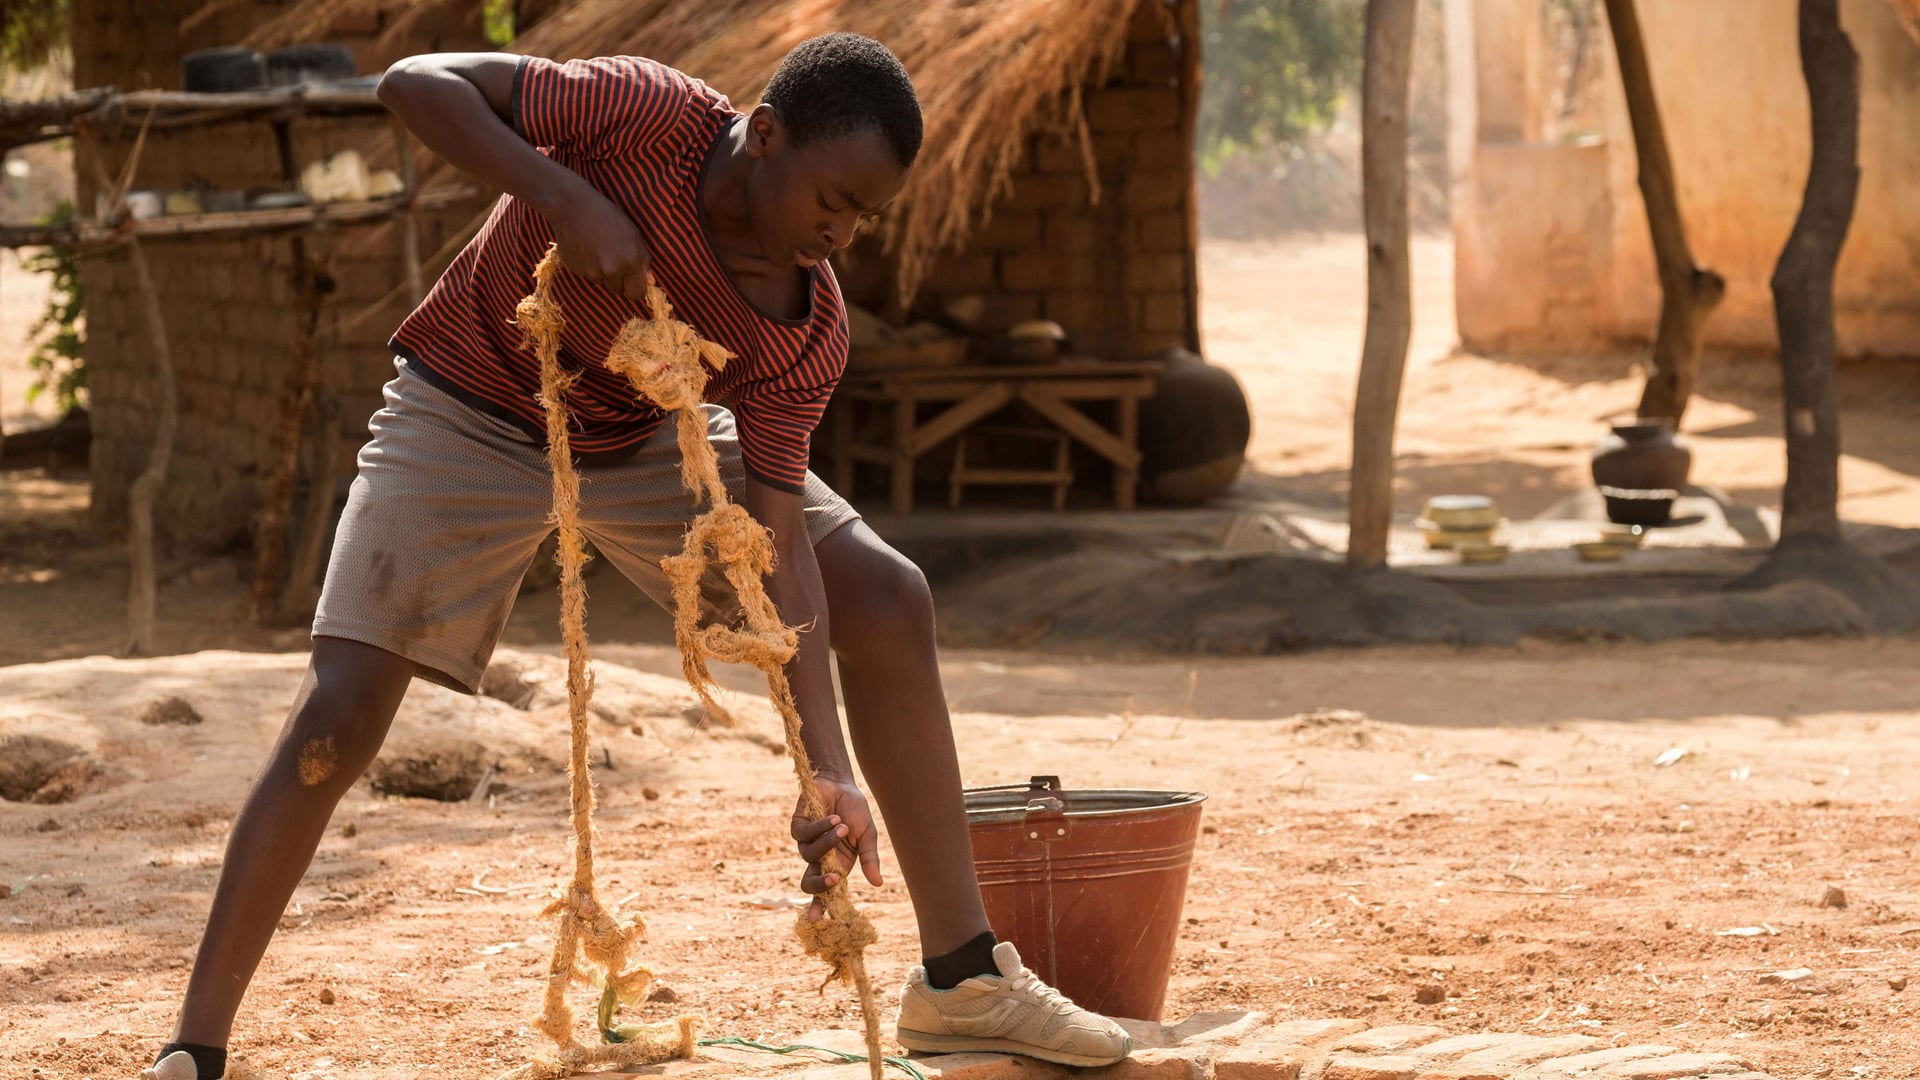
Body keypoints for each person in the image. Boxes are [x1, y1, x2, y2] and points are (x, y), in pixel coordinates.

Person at [143, 33, 1132, 1080]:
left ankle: (961, 977)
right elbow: (412, 86)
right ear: (765, 137)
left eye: (862, 218)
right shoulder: (643, 115)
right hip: (468, 409)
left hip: (648, 438)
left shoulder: (803, 326)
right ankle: (194, 1045)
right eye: (830, 199)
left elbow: (774, 538)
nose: (837, 234)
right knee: (336, 719)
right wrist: (563, 196)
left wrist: (826, 765)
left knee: (885, 595)